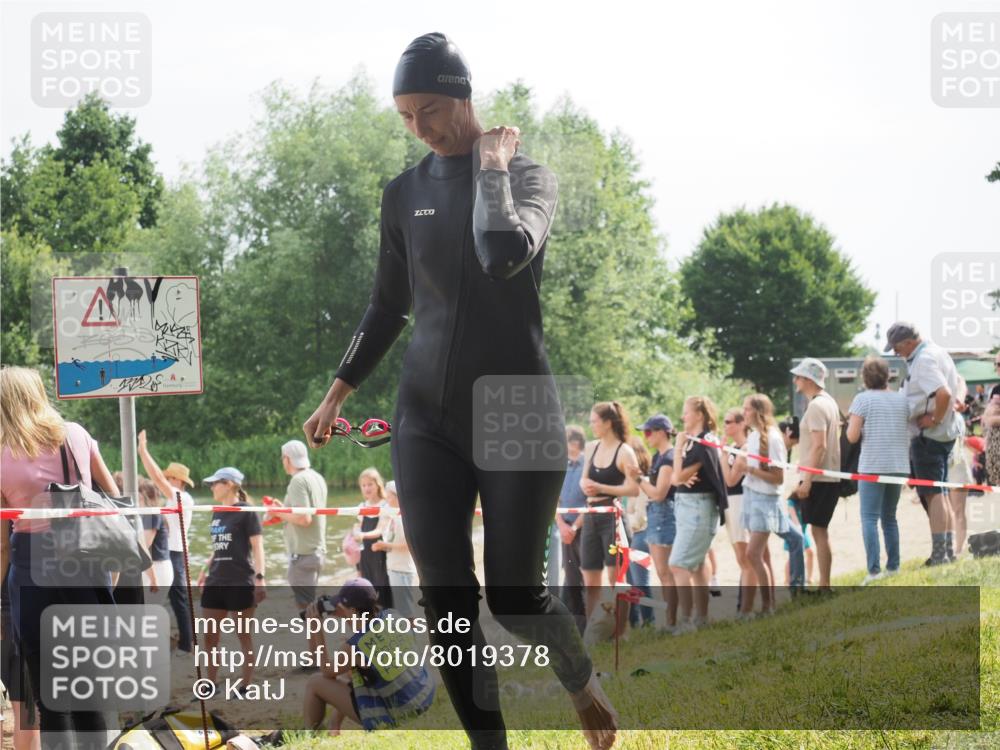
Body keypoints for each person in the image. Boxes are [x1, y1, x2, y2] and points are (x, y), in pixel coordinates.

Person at [302, 32, 618, 750]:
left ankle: (581, 680)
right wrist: (339, 391)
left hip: (516, 410)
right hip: (425, 415)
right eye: (406, 116)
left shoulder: (528, 176)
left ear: (464, 96)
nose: (421, 128)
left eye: (431, 110)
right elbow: (387, 305)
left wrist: (494, 172)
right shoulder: (402, 193)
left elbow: (501, 253)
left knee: (513, 595)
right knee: (447, 598)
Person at [1, 366, 120, 750]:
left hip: (33, 570)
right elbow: (112, 496)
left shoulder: (2, 455)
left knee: (50, 696)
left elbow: (2, 542)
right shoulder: (76, 435)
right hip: (86, 560)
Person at [302, 578, 435, 735]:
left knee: (314, 682)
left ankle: (310, 734)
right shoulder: (394, 616)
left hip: (400, 711)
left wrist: (317, 629)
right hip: (423, 694)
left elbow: (326, 671)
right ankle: (334, 725)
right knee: (350, 671)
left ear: (352, 610)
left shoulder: (354, 646)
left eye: (341, 607)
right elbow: (371, 637)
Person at [887, 322, 965, 566]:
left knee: (933, 494)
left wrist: (934, 418)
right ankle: (948, 550)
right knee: (938, 492)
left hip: (929, 437)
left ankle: (941, 553)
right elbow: (955, 384)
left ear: (909, 343)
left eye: (897, 348)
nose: (896, 354)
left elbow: (943, 393)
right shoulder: (937, 351)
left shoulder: (924, 360)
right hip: (943, 434)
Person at [196, 466, 265, 689]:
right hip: (216, 580)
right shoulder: (216, 510)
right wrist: (205, 570)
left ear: (229, 484)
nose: (211, 487)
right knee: (209, 636)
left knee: (243, 635)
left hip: (240, 581)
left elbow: (258, 547)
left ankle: (245, 684)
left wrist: (260, 579)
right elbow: (219, 546)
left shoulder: (246, 511)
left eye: (214, 483)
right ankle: (211, 682)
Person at [846, 356, 910, 583]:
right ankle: (893, 566)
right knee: (889, 517)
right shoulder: (902, 400)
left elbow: (852, 436)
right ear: (887, 376)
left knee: (869, 518)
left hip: (872, 465)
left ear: (864, 377)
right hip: (899, 464)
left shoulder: (862, 399)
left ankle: (873, 571)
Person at [670, 397, 728, 634]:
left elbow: (677, 477)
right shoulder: (695, 444)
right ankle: (702, 618)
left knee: (678, 564)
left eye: (686, 412)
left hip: (697, 509)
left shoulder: (702, 442)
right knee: (696, 564)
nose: (683, 417)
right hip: (688, 507)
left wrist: (677, 448)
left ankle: (686, 621)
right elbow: (682, 477)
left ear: (699, 415)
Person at [579, 402, 640, 623]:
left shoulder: (625, 451)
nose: (591, 425)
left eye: (594, 421)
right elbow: (584, 479)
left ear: (608, 423)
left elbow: (633, 489)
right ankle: (592, 631)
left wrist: (602, 488)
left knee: (617, 579)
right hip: (590, 515)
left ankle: (620, 631)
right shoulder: (591, 448)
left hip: (613, 517)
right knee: (590, 579)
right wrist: (585, 485)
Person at [137, 430, 195, 656]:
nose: (165, 482)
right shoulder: (175, 498)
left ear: (178, 482)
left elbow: (157, 480)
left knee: (179, 600)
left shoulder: (181, 497)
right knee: (174, 599)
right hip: (172, 552)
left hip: (174, 553)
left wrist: (143, 451)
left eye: (170, 479)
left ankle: (185, 644)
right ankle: (182, 641)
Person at [790, 358, 841, 590]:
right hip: (827, 476)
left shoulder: (817, 406)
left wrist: (806, 480)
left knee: (819, 532)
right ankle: (824, 583)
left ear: (808, 379)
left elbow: (819, 445)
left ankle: (824, 585)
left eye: (798, 377)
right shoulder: (828, 402)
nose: (795, 380)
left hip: (819, 478)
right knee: (820, 531)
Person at [732, 395, 786, 616]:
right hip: (751, 497)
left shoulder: (772, 438)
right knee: (760, 555)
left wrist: (750, 470)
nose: (743, 413)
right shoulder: (753, 437)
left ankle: (767, 606)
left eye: (747, 409)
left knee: (753, 554)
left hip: (765, 500)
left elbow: (778, 477)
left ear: (758, 411)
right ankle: (767, 603)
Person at [627, 414, 678, 631]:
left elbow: (658, 494)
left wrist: (638, 479)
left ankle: (673, 622)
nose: (645, 437)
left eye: (648, 432)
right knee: (664, 573)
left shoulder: (668, 457)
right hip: (658, 517)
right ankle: (672, 620)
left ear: (660, 432)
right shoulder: (660, 457)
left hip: (663, 516)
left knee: (667, 573)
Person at [265, 440, 329, 613]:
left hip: (303, 554)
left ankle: (317, 641)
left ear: (287, 459)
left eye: (282, 458)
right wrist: (283, 510)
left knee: (307, 610)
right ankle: (317, 640)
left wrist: (276, 513)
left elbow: (304, 518)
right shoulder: (316, 477)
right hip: (317, 550)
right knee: (312, 607)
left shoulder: (297, 481)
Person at [555, 425, 589, 634]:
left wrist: (575, 526)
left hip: (585, 529)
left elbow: (592, 502)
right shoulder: (561, 467)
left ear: (574, 443)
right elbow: (554, 500)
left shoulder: (588, 465)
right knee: (571, 578)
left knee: (589, 578)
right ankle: (578, 627)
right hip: (565, 529)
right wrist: (561, 525)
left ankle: (595, 625)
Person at [372, 480, 420, 620]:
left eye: (389, 496)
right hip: (394, 567)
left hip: (403, 568)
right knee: (401, 608)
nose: (386, 499)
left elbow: (408, 545)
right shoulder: (392, 514)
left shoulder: (405, 517)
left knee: (406, 610)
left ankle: (412, 640)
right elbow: (385, 533)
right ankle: (408, 638)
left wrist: (385, 546)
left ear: (397, 496)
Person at [351, 468, 393, 610]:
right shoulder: (362, 506)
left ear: (377, 485)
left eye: (370, 484)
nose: (367, 488)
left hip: (380, 552)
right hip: (365, 553)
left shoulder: (385, 505)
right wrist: (356, 532)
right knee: (368, 589)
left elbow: (380, 529)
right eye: (364, 485)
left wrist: (363, 535)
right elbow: (357, 525)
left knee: (383, 589)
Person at [779, 419, 812, 588]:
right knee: (796, 539)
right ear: (789, 434)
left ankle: (797, 584)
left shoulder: (786, 450)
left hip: (787, 500)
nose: (795, 445)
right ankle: (795, 584)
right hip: (784, 502)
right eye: (795, 441)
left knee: (797, 540)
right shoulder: (777, 446)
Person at [625, 437, 654, 628]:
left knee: (639, 581)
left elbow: (640, 516)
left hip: (640, 533)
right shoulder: (632, 484)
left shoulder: (644, 483)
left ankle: (649, 621)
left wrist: (628, 521)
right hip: (634, 534)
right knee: (632, 581)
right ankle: (636, 620)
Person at [138, 477, 173, 593]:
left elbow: (144, 545)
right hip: (152, 567)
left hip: (157, 567)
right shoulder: (147, 514)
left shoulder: (152, 513)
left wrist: (153, 579)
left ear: (142, 496)